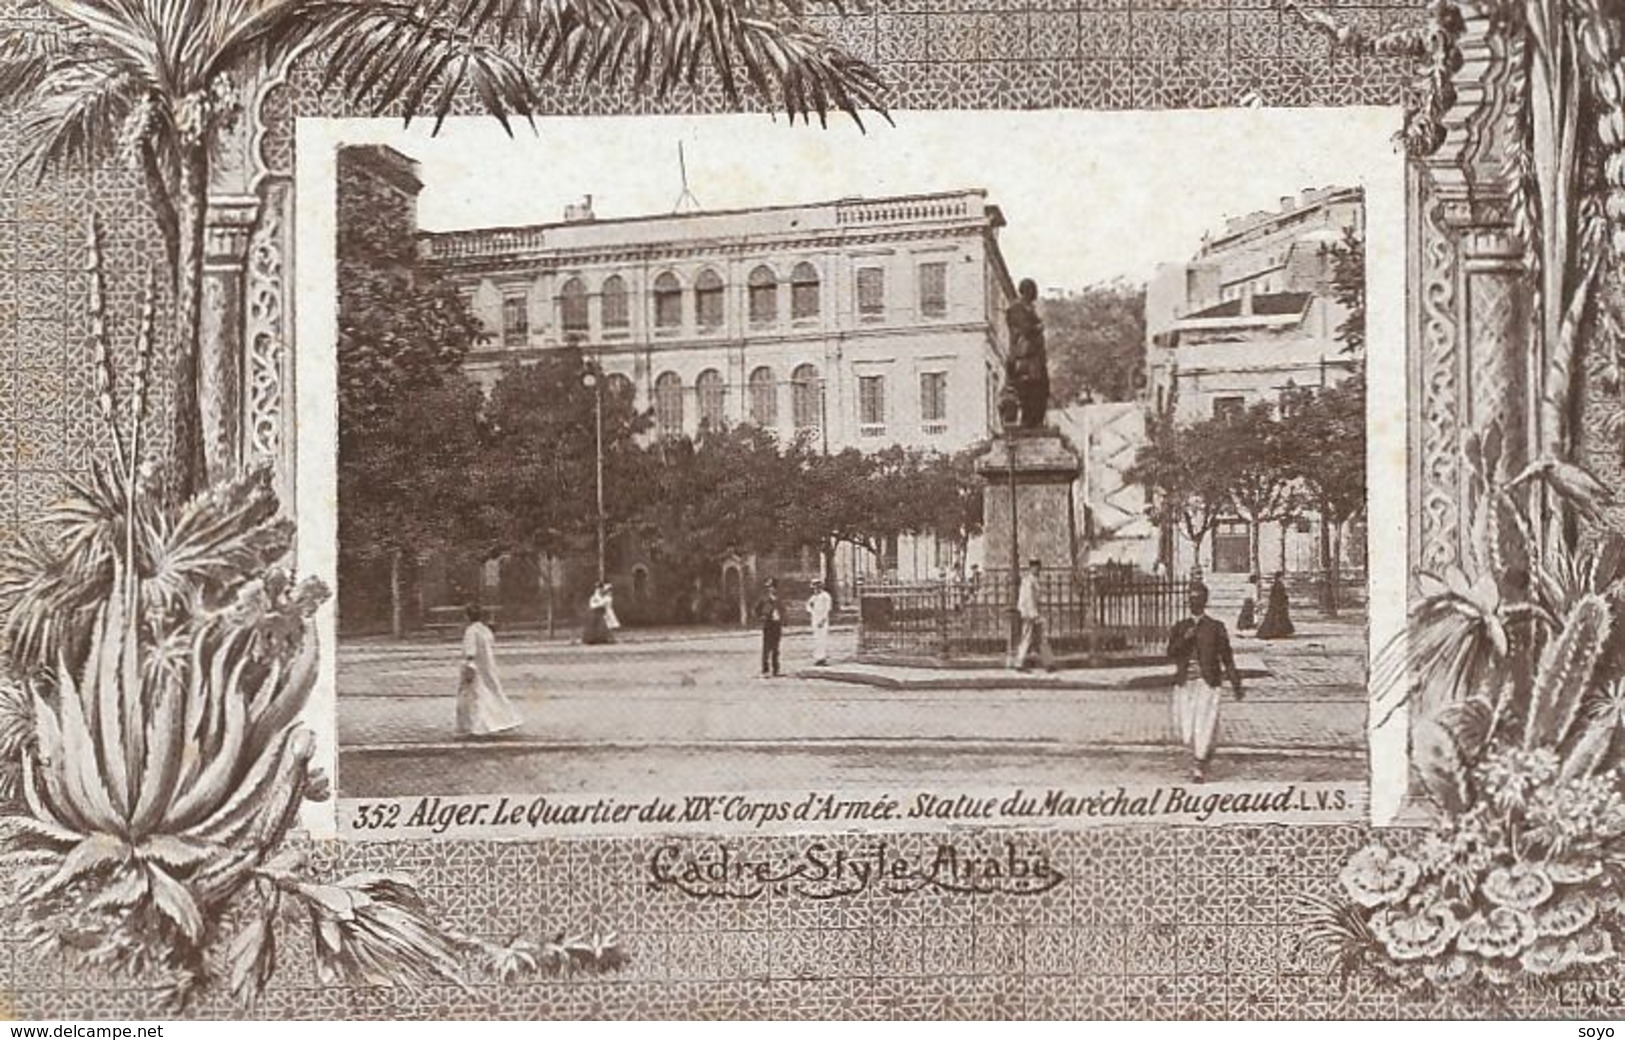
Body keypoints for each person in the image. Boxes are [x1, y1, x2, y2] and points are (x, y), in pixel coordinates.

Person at [1166, 583, 1243, 782]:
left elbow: (1227, 656)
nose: (1195, 602)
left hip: (1208, 683)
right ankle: (1201, 754)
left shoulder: (1215, 627)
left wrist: (1235, 682)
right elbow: (1171, 653)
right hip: (1185, 683)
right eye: (1191, 599)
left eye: (1198, 598)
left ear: (1205, 601)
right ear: (1187, 602)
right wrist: (1184, 639)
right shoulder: (1180, 626)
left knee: (1204, 723)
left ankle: (1199, 765)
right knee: (1186, 728)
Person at [456, 605, 522, 739]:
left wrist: (468, 667)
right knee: (493, 692)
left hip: (476, 667)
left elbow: (471, 652)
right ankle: (505, 718)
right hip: (488, 666)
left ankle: (478, 725)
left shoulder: (471, 631)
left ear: (467, 616)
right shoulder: (485, 630)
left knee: (475, 696)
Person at [1004, 278, 1050, 428]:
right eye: (1032, 290)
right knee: (1029, 389)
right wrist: (1038, 327)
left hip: (1035, 357)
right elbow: (1024, 329)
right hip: (1025, 357)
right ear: (1026, 291)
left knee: (1041, 389)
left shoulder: (1029, 308)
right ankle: (1029, 422)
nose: (1034, 294)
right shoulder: (1017, 308)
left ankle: (1036, 421)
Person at [1011, 558, 1055, 672]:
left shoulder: (1034, 580)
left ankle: (1049, 663)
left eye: (1038, 567)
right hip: (1029, 613)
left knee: (1040, 638)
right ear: (1031, 568)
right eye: (1035, 567)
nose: (1037, 569)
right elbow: (1028, 599)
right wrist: (1034, 614)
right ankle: (1019, 662)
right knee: (1028, 638)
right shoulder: (1028, 581)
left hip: (1033, 613)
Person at [754, 578, 784, 678]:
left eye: (773, 587)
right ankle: (765, 670)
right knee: (766, 648)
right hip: (768, 625)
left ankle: (776, 669)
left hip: (777, 625)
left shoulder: (779, 599)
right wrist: (761, 617)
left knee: (776, 648)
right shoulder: (764, 599)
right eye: (770, 587)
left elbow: (783, 610)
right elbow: (756, 609)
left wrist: (783, 620)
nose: (772, 589)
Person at [1256, 572, 1296, 640]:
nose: (1283, 579)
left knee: (1277, 618)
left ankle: (1279, 632)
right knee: (1275, 618)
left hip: (1278, 604)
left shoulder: (1277, 585)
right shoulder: (1278, 585)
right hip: (1278, 604)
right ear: (1279, 578)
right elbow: (1277, 596)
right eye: (1282, 577)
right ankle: (1273, 632)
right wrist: (1282, 601)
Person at [806, 578, 833, 666]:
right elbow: (808, 606)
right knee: (816, 639)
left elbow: (827, 609)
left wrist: (823, 620)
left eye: (817, 587)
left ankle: (822, 657)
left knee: (822, 639)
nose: (816, 589)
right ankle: (817, 657)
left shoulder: (825, 596)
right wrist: (811, 610)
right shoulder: (813, 597)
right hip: (815, 618)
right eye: (814, 587)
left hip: (822, 619)